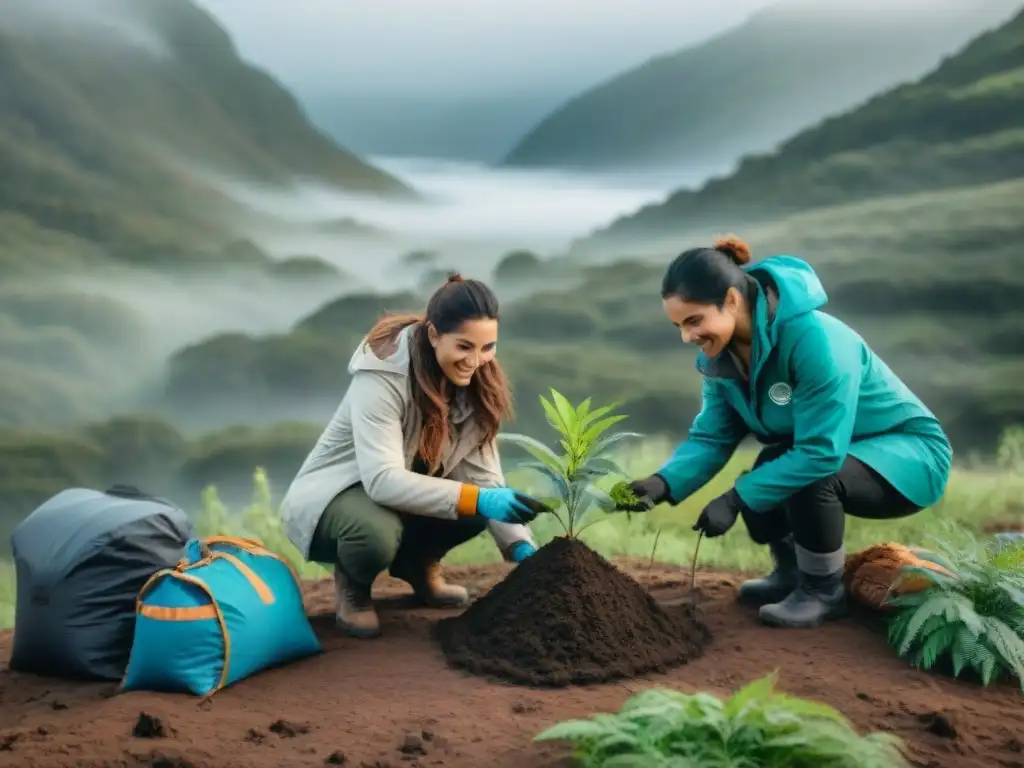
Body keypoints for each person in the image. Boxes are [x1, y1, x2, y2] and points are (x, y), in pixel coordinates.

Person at [617, 236, 952, 629]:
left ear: (731, 300)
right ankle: (791, 574)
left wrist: (736, 498)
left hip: (909, 455)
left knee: (806, 478)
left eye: (694, 321)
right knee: (770, 467)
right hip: (840, 450)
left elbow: (820, 453)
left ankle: (824, 591)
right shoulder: (719, 359)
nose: (687, 336)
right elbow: (712, 436)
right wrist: (662, 483)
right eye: (678, 325)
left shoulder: (815, 340)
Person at [280, 274, 551, 639]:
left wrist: (521, 547)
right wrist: (479, 499)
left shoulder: (478, 384)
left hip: (400, 493)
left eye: (488, 347)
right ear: (434, 334)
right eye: (465, 346)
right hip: (343, 492)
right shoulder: (381, 375)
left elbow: (484, 478)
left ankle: (418, 566)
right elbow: (382, 481)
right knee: (374, 534)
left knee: (476, 509)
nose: (476, 360)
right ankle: (352, 587)